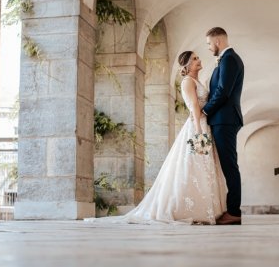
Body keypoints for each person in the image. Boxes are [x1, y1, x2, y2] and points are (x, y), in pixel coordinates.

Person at [86, 51, 226, 225]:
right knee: (194, 164)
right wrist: (199, 131)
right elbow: (194, 108)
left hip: (206, 126)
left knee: (204, 166)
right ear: (187, 65)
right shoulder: (187, 82)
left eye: (198, 57)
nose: (199, 60)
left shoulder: (198, 81)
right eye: (195, 59)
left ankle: (207, 207)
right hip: (197, 127)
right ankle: (186, 209)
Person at [202, 27, 244, 225]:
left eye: (209, 44)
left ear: (217, 41)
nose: (209, 48)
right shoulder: (227, 60)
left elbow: (222, 91)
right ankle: (229, 208)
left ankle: (234, 211)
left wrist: (205, 110)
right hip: (222, 119)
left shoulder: (229, 59)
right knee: (227, 166)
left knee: (230, 166)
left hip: (225, 119)